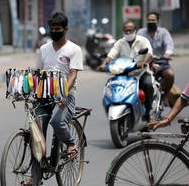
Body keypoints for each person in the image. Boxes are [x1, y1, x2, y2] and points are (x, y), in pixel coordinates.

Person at [22, 12, 83, 185]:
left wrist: (63, 92)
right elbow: (37, 74)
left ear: (65, 29)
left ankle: (71, 143)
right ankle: (35, 176)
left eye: (58, 29)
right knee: (36, 133)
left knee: (57, 121)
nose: (54, 32)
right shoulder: (44, 49)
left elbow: (73, 75)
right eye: (52, 29)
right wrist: (28, 91)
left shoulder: (74, 49)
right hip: (44, 96)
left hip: (66, 96)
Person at [98, 20, 154, 121]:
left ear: (135, 31)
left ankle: (149, 112)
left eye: (130, 31)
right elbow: (111, 55)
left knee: (147, 84)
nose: (128, 33)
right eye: (126, 31)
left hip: (140, 73)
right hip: (123, 75)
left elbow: (149, 53)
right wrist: (104, 64)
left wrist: (143, 62)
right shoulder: (120, 43)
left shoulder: (143, 41)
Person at [137, 12, 175, 106]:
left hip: (161, 62)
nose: (151, 22)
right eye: (149, 20)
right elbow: (136, 45)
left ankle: (165, 96)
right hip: (145, 62)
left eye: (153, 20)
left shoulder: (163, 32)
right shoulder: (141, 32)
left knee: (170, 75)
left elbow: (169, 45)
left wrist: (167, 54)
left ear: (157, 21)